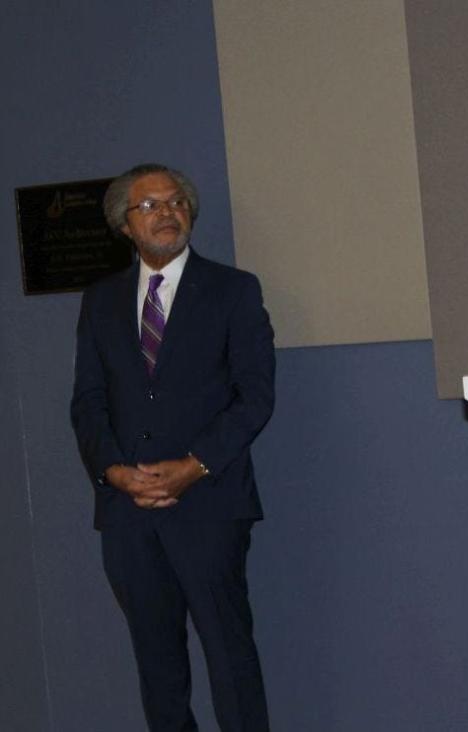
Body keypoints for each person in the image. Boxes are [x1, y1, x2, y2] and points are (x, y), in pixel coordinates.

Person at [71, 163, 275, 731]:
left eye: (176, 201)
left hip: (210, 505)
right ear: (124, 224)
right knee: (158, 669)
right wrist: (113, 471)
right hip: (127, 513)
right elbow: (88, 400)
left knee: (231, 660)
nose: (166, 212)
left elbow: (255, 397)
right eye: (150, 205)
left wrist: (195, 466)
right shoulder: (100, 300)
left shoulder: (234, 290)